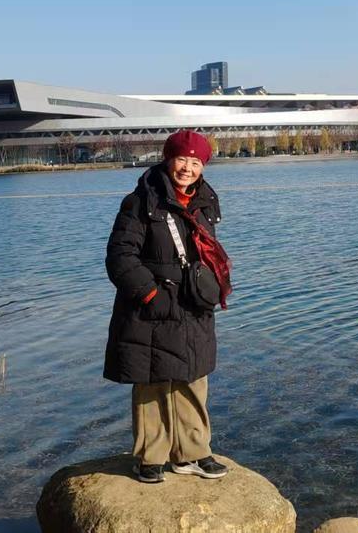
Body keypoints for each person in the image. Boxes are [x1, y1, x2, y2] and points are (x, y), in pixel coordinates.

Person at [104, 129, 229, 484]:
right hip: (152, 306)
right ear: (167, 159)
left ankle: (192, 452)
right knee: (153, 381)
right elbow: (120, 256)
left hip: (193, 304)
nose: (187, 168)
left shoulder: (206, 201)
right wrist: (150, 295)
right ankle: (150, 457)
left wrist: (212, 286)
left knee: (193, 377)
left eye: (196, 161)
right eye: (182, 159)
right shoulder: (140, 201)